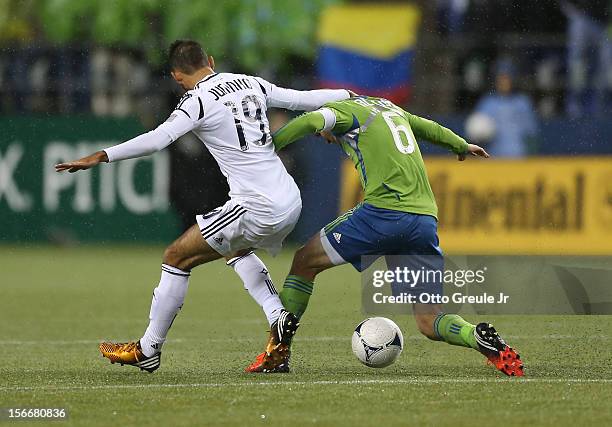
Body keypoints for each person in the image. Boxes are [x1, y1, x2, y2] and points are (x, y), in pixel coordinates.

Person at [55, 40, 350, 372]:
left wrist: (103, 155)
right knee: (234, 249)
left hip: (256, 206)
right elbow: (303, 99)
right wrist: (354, 99)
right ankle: (277, 315)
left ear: (177, 76)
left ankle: (149, 349)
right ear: (210, 60)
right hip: (290, 201)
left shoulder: (196, 100)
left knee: (176, 257)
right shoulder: (250, 82)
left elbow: (158, 139)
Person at [246, 95, 524, 377]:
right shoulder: (387, 107)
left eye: (324, 135)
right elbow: (426, 127)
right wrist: (460, 144)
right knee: (429, 320)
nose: (325, 138)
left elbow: (309, 120)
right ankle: (474, 335)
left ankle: (276, 353)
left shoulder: (341, 112)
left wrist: (267, 149)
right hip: (424, 219)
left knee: (305, 261)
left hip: (384, 213)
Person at [470, 58, 538, 157]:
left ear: (512, 79)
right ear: (496, 80)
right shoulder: (487, 103)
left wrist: (532, 157)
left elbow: (531, 135)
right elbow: (475, 132)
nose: (504, 82)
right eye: (501, 78)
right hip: (493, 158)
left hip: (519, 157)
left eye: (507, 78)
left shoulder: (523, 103)